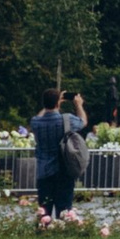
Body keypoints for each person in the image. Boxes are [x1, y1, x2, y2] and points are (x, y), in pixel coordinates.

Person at [32, 89, 82, 219]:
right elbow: (83, 122)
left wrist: (54, 102)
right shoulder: (67, 120)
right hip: (63, 169)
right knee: (64, 209)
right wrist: (78, 105)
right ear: (58, 104)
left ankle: (44, 232)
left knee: (44, 211)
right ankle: (62, 232)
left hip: (44, 171)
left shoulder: (36, 122)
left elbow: (40, 115)